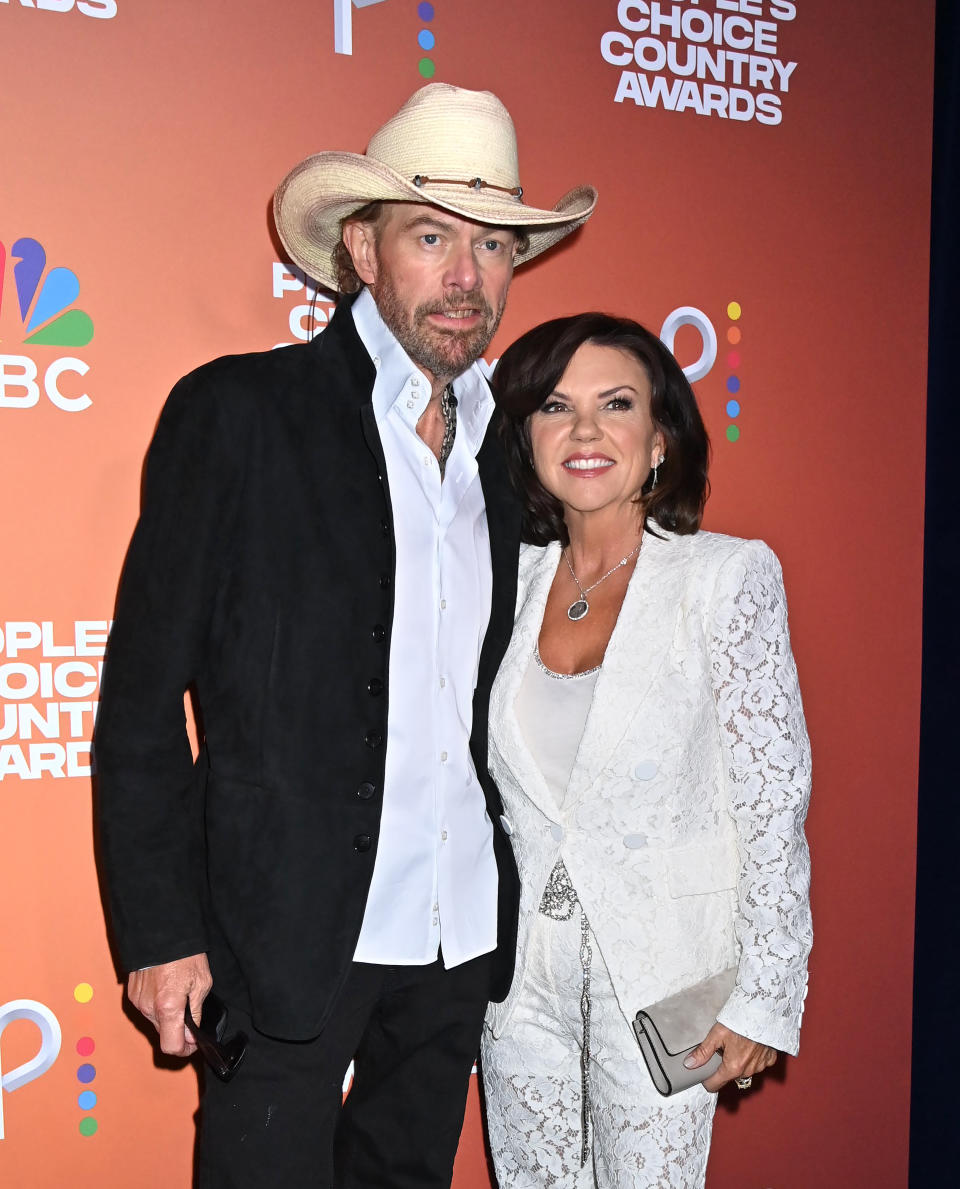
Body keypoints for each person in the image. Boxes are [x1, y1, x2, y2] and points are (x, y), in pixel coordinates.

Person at [94, 84, 596, 1188]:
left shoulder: (513, 456)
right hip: (278, 939)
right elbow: (138, 698)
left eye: (495, 246)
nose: (469, 279)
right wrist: (160, 930)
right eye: (433, 237)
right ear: (363, 250)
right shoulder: (237, 414)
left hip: (457, 934)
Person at [480, 313, 812, 1188]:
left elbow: (772, 796)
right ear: (528, 437)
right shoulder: (501, 583)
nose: (585, 431)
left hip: (666, 978)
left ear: (659, 438)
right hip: (521, 983)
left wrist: (767, 994)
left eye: (615, 404)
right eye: (556, 406)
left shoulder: (724, 578)